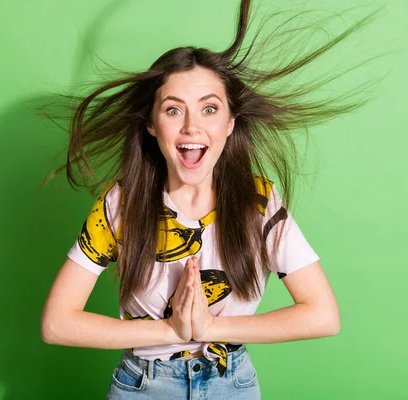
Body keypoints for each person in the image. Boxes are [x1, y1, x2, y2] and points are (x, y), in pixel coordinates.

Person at [41, 0, 378, 398]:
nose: (191, 126)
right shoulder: (122, 204)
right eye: (173, 110)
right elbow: (57, 324)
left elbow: (323, 315)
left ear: (230, 122)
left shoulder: (259, 202)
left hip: (231, 384)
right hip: (143, 384)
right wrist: (170, 330)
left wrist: (211, 329)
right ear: (151, 124)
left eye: (209, 108)